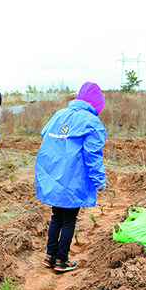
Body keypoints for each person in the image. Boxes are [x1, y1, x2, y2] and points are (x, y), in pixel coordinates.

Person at [35, 82, 107, 273]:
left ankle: (50, 255)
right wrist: (99, 180)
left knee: (56, 216)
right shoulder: (92, 123)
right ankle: (62, 260)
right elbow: (92, 155)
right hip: (74, 179)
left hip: (54, 177)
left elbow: (45, 135)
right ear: (96, 103)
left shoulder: (59, 115)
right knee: (69, 220)